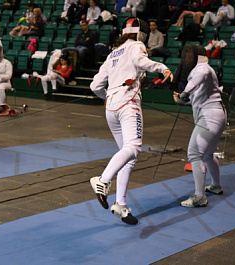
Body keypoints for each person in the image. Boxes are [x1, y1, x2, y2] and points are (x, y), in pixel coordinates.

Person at [89, 17, 173, 225]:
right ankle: (103, 180)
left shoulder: (113, 53)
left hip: (111, 107)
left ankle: (120, 205)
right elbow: (142, 62)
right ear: (141, 33)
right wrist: (162, 68)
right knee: (134, 148)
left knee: (128, 156)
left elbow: (95, 86)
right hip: (128, 104)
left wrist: (109, 96)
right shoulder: (137, 46)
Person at [172, 45, 226, 208]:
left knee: (194, 154)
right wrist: (183, 99)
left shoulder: (203, 68)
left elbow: (200, 77)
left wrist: (185, 92)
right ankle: (216, 186)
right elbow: (198, 96)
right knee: (208, 155)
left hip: (210, 118)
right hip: (216, 115)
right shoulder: (197, 72)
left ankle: (199, 196)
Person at [0, 50, 13, 114]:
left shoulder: (7, 63)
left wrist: (0, 78)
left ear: (4, 55)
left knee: (0, 87)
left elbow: (9, 75)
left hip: (5, 83)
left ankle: (2, 106)